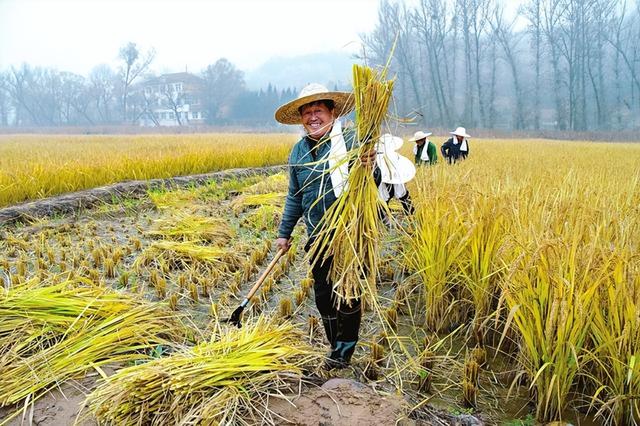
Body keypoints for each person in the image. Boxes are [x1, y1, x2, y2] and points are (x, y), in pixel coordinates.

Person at [274, 83, 378, 369]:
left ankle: (344, 351)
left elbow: (376, 182)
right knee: (323, 294)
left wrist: (372, 167)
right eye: (306, 113)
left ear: (332, 112)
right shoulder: (298, 152)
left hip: (351, 234)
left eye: (317, 110)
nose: (312, 117)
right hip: (317, 235)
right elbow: (295, 196)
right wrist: (284, 233)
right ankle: (335, 343)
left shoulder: (352, 141)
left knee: (347, 292)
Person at [376, 133, 415, 216]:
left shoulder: (393, 156)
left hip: (392, 181)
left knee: (402, 195)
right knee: (382, 201)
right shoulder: (378, 158)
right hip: (380, 185)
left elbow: (403, 195)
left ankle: (411, 215)